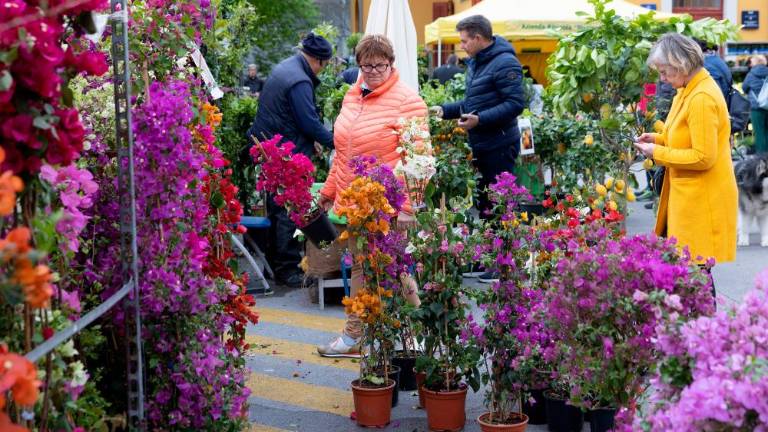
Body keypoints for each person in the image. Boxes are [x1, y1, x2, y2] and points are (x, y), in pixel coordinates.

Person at [316, 34, 427, 358]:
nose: (374, 71)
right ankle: (355, 337)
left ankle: (416, 335)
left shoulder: (408, 101)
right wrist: (328, 191)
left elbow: (419, 159)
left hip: (387, 206)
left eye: (380, 65)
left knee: (397, 267)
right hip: (356, 205)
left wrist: (407, 206)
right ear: (359, 65)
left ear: (391, 64)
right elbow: (343, 154)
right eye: (367, 65)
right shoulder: (353, 96)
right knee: (363, 270)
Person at [634, 33, 737, 297]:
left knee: (695, 277)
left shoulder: (701, 97)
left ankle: (704, 335)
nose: (662, 78)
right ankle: (698, 334)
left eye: (665, 71)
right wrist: (657, 139)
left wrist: (657, 151)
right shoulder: (688, 89)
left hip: (701, 200)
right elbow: (684, 136)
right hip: (690, 198)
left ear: (680, 64)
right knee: (690, 276)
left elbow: (703, 157)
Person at [429, 15, 525, 283]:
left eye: (463, 41)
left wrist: (480, 120)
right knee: (485, 203)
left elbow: (515, 103)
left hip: (500, 143)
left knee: (500, 204)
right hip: (483, 144)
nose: (461, 47)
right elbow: (475, 101)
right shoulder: (478, 63)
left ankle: (504, 265)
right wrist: (445, 110)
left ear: (478, 38)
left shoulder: (505, 62)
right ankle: (490, 259)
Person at [247, 32, 335, 288]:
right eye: (325, 65)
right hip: (283, 151)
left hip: (271, 147)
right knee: (289, 208)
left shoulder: (287, 67)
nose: (323, 70)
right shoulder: (299, 80)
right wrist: (335, 141)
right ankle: (287, 270)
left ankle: (275, 264)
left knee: (277, 208)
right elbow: (308, 121)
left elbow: (294, 117)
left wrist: (314, 141)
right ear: (318, 60)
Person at [742, 54, 768, 154]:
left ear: (755, 62)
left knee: (759, 132)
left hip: (756, 108)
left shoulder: (751, 75)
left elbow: (744, 88)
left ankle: (762, 157)